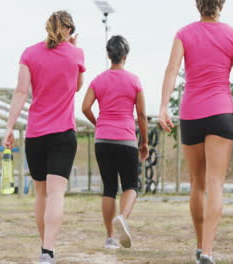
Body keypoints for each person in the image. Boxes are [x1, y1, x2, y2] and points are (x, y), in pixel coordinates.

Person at [158, 0, 233, 263]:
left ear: (197, 5)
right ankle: (207, 250)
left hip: (191, 113)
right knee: (215, 183)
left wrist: (163, 108)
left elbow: (171, 70)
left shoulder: (184, 33)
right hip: (220, 113)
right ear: (222, 4)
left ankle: (199, 245)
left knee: (197, 184)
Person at [3, 11, 85, 264]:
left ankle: (45, 249)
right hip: (63, 134)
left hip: (36, 134)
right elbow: (77, 86)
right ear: (70, 30)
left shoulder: (29, 53)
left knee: (41, 194)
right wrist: (73, 49)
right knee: (56, 193)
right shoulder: (77, 54)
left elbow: (20, 92)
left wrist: (9, 127)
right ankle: (48, 249)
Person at [82, 35, 149, 249]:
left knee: (109, 188)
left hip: (103, 140)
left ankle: (110, 237)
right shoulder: (134, 80)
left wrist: (99, 123)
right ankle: (122, 218)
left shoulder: (98, 80)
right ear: (125, 56)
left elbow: (85, 107)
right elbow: (141, 114)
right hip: (126, 139)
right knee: (130, 185)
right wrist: (144, 142)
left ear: (109, 55)